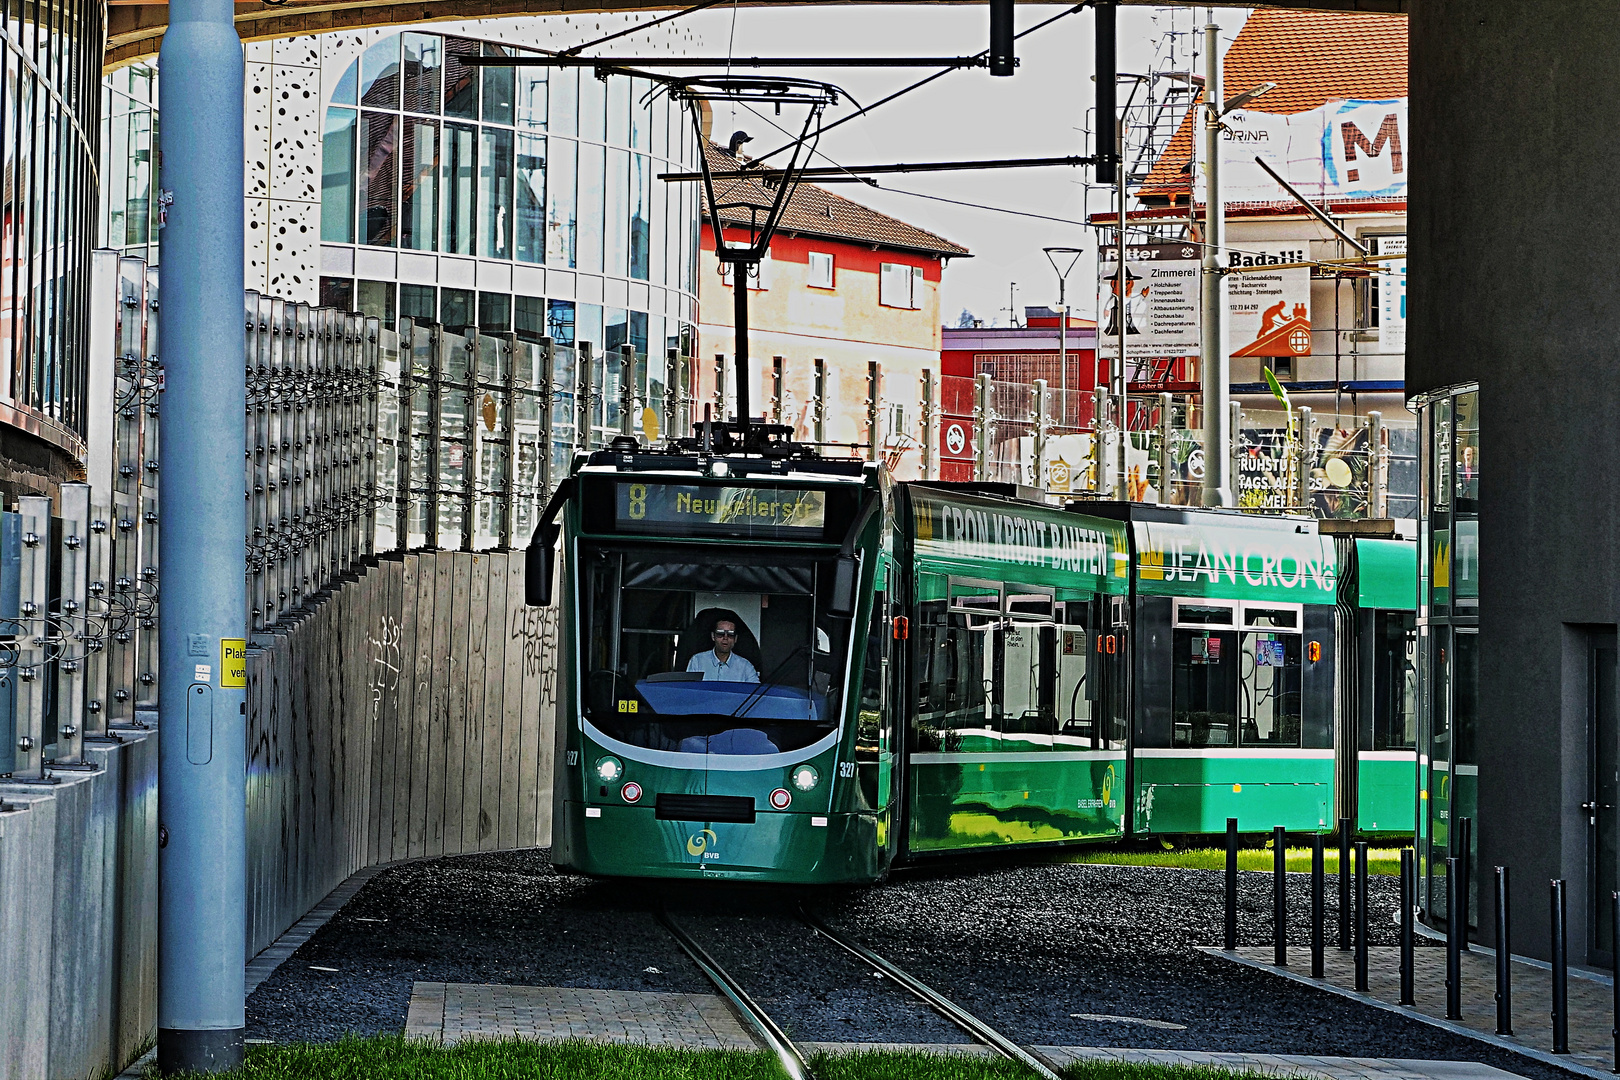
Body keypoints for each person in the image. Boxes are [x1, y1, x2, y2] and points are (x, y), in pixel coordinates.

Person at [686, 618, 759, 683]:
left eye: (730, 634)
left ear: (735, 639)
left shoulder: (746, 667)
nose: (725, 638)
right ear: (713, 636)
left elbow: (756, 694)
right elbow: (688, 691)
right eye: (720, 633)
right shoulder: (697, 661)